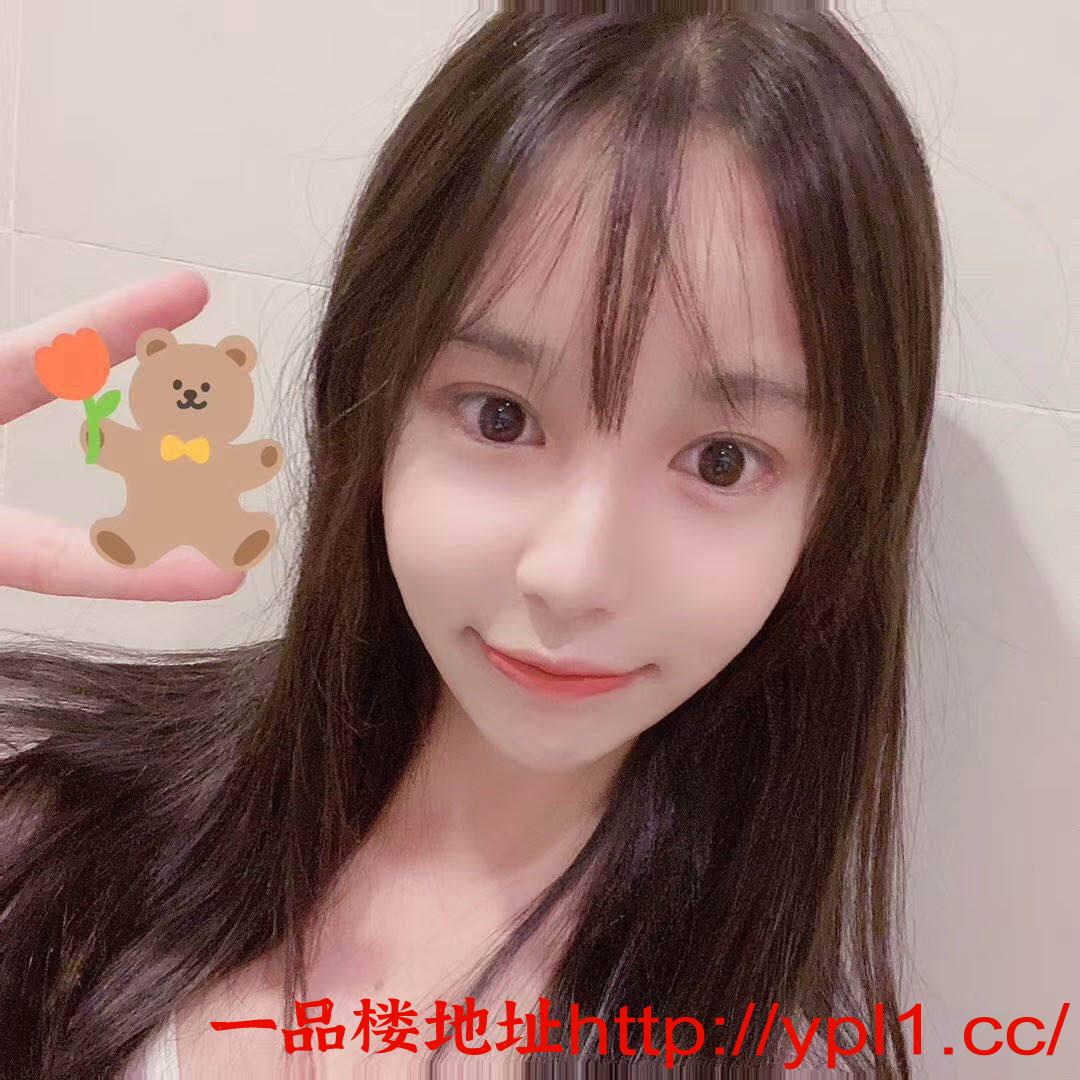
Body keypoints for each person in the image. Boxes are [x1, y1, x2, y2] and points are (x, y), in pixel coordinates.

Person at [0, 9, 943, 1078]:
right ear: (372, 397)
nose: (572, 575)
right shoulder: (61, 845)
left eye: (722, 461)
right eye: (501, 415)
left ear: (838, 508)